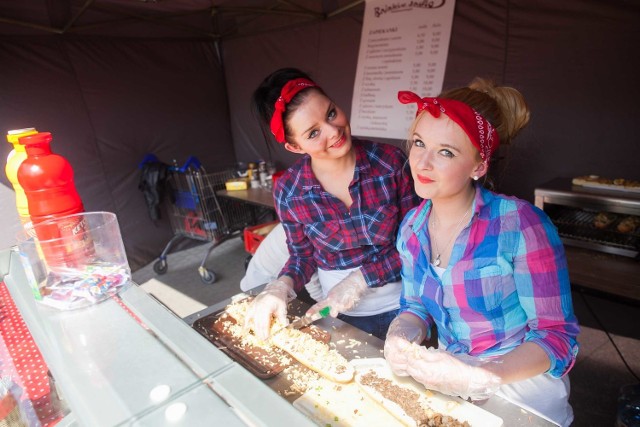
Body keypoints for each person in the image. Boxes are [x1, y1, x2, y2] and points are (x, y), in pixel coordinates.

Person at [383, 79, 580, 426]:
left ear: (478, 166)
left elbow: (557, 337)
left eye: (446, 151)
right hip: (450, 387)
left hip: (522, 393)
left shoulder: (519, 224)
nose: (423, 162)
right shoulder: (412, 228)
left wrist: (481, 374)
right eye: (418, 143)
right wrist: (401, 333)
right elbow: (415, 306)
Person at [244, 68, 420, 340]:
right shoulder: (290, 191)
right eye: (313, 133)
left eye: (330, 113)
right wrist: (282, 284)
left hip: (406, 307)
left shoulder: (390, 163)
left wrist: (360, 280)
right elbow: (303, 256)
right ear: (294, 147)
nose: (334, 130)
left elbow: (416, 244)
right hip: (337, 313)